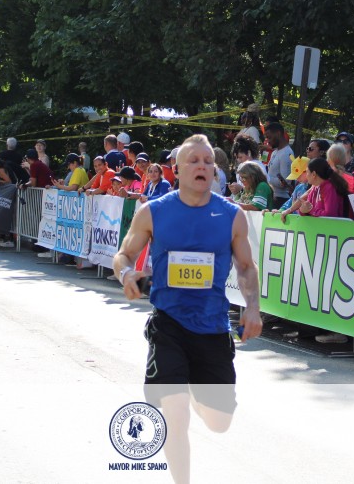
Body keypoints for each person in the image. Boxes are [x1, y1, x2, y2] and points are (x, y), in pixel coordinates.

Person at [113, 134, 262, 484]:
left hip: (212, 327)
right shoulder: (153, 212)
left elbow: (246, 267)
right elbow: (124, 255)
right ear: (177, 170)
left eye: (209, 162)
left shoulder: (232, 216)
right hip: (169, 324)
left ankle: (195, 392)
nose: (202, 166)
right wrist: (127, 274)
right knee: (175, 414)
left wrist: (253, 307)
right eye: (194, 160)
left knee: (219, 422)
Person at [282, 158, 349, 220]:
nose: (306, 175)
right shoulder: (315, 187)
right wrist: (302, 210)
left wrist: (310, 210)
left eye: (307, 172)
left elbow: (330, 215)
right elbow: (306, 208)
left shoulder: (329, 188)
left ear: (313, 174)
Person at [264, 122, 293, 208]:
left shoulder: (287, 153)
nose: (268, 141)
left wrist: (265, 178)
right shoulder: (275, 152)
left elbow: (285, 182)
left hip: (281, 199)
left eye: (269, 137)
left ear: (278, 133)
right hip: (272, 196)